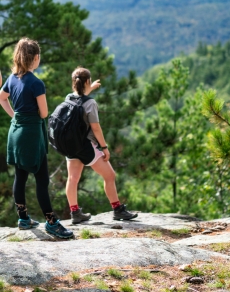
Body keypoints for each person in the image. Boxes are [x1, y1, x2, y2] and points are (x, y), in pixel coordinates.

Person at [0, 38, 73, 239]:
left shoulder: (12, 78)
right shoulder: (36, 83)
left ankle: (23, 218)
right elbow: (43, 113)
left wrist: (14, 114)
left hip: (16, 133)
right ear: (35, 58)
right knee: (41, 180)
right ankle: (51, 222)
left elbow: (1, 97)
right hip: (32, 135)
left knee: (20, 177)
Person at [66, 66, 138, 224]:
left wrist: (88, 89)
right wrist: (104, 148)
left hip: (70, 145)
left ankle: (75, 213)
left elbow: (80, 99)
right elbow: (96, 128)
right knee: (110, 175)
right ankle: (117, 209)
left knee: (72, 178)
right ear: (87, 81)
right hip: (86, 146)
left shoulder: (69, 97)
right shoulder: (90, 103)